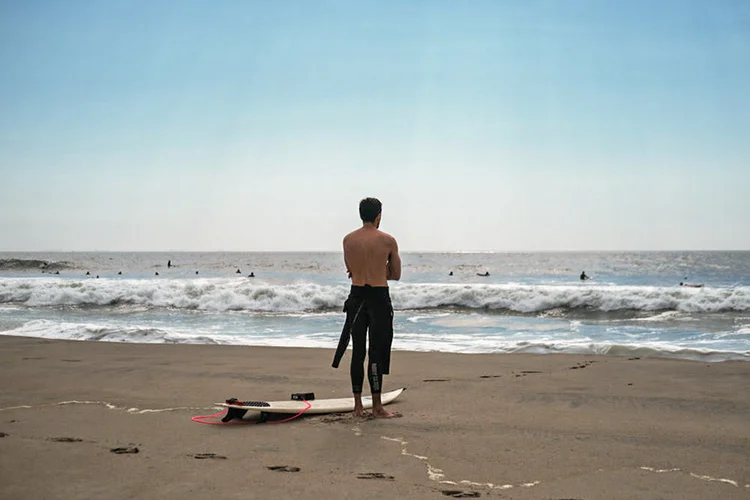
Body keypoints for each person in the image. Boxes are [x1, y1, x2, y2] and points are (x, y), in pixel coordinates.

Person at [332, 197, 401, 418]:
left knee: (358, 352)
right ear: (379, 215)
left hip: (356, 296)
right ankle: (378, 406)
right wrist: (383, 269)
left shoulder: (348, 240)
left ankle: (358, 406)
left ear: (361, 214)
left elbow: (350, 269)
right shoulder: (388, 240)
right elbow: (396, 275)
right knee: (376, 352)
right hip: (378, 297)